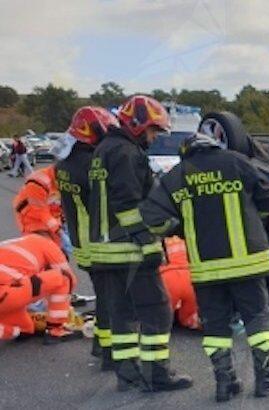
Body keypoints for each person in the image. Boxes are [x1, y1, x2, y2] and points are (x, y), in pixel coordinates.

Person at [141, 133, 269, 402]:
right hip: (248, 262)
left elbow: (152, 217)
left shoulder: (177, 175)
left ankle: (224, 382)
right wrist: (254, 218)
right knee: (258, 318)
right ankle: (268, 379)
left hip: (207, 268)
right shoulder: (236, 162)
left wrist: (181, 229)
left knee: (215, 326)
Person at [88, 95, 192, 392]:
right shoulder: (126, 153)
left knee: (122, 314)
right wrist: (149, 246)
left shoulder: (104, 149)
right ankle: (157, 374)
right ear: (137, 125)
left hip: (105, 250)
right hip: (128, 250)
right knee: (158, 310)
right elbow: (129, 207)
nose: (154, 137)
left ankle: (128, 375)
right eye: (153, 130)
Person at [59, 106, 119, 370]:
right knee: (110, 300)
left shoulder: (64, 163)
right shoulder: (91, 164)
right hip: (96, 242)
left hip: (80, 241)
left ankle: (101, 345)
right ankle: (107, 352)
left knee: (104, 295)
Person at [0, 234, 78, 343]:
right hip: (7, 291)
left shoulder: (21, 243)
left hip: (7, 294)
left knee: (25, 329)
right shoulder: (51, 247)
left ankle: (17, 331)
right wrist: (64, 307)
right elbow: (70, 279)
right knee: (63, 278)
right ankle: (55, 330)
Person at [11, 165, 62, 246]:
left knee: (57, 250)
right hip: (33, 221)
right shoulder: (38, 182)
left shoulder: (64, 178)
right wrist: (59, 230)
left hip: (52, 219)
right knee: (46, 250)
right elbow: (40, 212)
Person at [160, 236, 199, 330]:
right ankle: (195, 321)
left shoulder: (157, 242)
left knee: (162, 311)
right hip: (189, 278)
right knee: (189, 312)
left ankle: (163, 325)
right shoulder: (184, 241)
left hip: (166, 278)